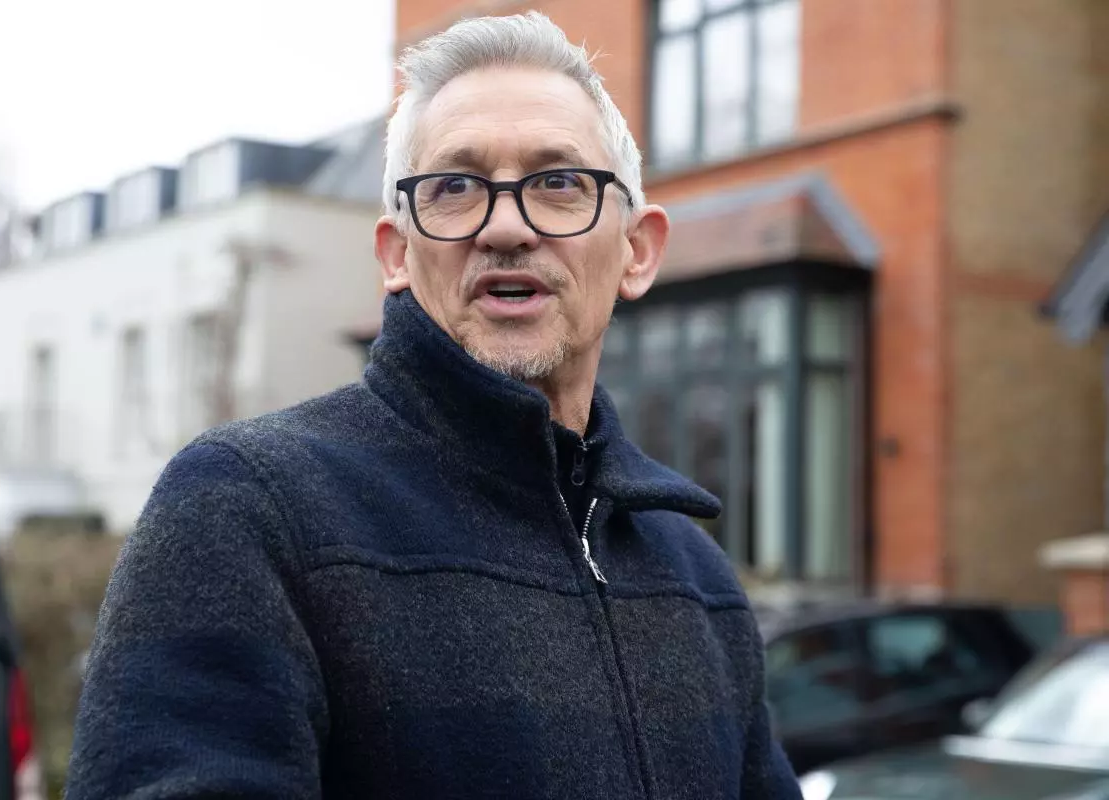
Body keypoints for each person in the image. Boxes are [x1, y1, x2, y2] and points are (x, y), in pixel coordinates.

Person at [65, 11, 802, 800]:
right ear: (396, 254)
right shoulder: (249, 510)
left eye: (559, 183)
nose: (509, 227)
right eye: (455, 188)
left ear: (637, 249)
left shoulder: (697, 580)